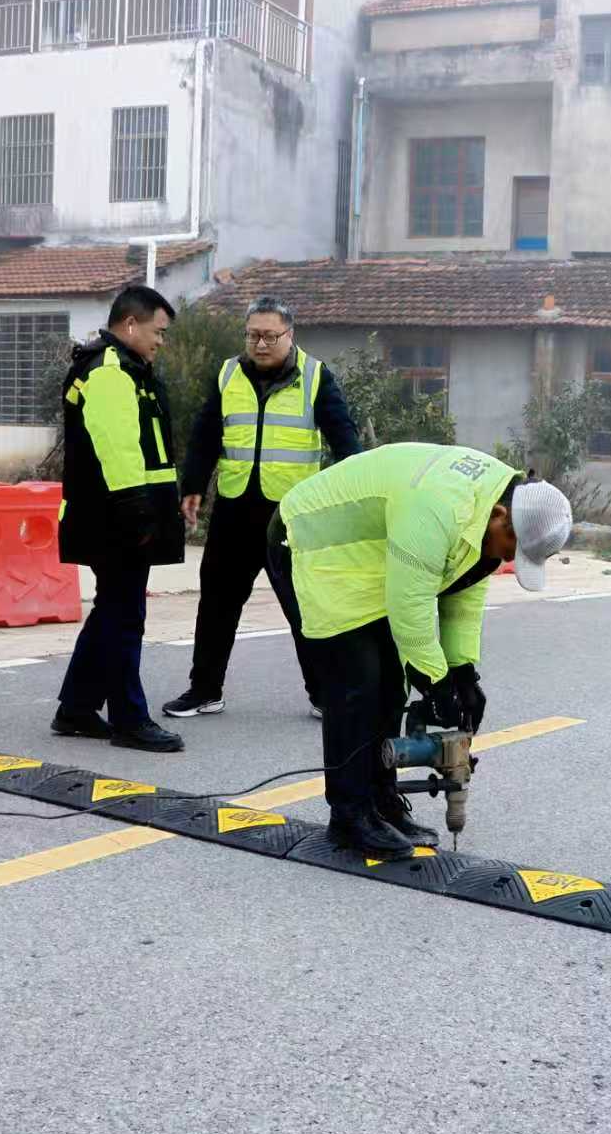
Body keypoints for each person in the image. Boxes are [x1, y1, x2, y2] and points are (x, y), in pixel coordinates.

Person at [266, 443, 574, 859]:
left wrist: (463, 671)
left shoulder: (491, 502)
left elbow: (462, 593)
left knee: (392, 685)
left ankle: (382, 801)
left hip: (370, 563)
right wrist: (435, 681)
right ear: (502, 516)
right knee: (356, 685)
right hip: (311, 542)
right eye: (511, 547)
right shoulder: (439, 507)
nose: (506, 559)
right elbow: (411, 604)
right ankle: (349, 816)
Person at [161, 296, 360, 721]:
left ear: (290, 336)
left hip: (293, 517)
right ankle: (204, 690)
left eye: (270, 336)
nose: (261, 344)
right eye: (253, 335)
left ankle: (324, 694)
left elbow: (346, 441)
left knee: (304, 607)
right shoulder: (229, 374)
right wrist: (193, 485)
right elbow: (206, 433)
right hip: (235, 508)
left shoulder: (315, 377)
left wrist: (349, 501)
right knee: (216, 603)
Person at [49, 285, 187, 753]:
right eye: (158, 331)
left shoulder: (129, 368)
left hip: (119, 515)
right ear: (131, 324)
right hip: (116, 517)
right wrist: (139, 514)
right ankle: (130, 719)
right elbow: (120, 449)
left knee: (113, 610)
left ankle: (76, 709)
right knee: (125, 617)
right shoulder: (110, 371)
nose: (161, 341)